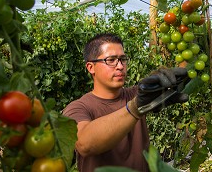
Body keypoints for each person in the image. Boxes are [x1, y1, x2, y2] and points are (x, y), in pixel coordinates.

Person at [62, 33, 189, 172]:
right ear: (90, 67)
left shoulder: (136, 95)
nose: (120, 66)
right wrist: (135, 109)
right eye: (111, 60)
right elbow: (84, 144)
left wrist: (194, 49)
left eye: (123, 59)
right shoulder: (78, 108)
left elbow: (181, 75)